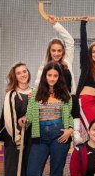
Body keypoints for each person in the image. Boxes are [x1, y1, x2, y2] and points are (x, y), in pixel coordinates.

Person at [19, 61, 73, 176]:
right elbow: (29, 116)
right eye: (49, 75)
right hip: (40, 136)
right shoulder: (35, 95)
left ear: (59, 77)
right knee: (33, 173)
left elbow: (69, 116)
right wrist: (24, 120)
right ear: (45, 76)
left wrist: (70, 129)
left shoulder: (66, 96)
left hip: (59, 137)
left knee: (55, 174)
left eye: (55, 75)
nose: (52, 78)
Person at [35, 15, 83, 144]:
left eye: (59, 51)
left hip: (67, 97)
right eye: (53, 51)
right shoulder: (44, 67)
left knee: (74, 98)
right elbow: (37, 85)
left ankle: (76, 133)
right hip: (53, 102)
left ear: (63, 52)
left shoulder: (67, 61)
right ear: (49, 52)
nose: (56, 53)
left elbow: (70, 41)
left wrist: (56, 24)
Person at [0, 62, 35, 176]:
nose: (23, 74)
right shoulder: (12, 94)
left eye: (24, 71)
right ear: (15, 76)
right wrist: (17, 139)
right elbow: (9, 118)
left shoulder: (34, 93)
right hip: (14, 140)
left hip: (30, 139)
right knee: (12, 173)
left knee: (27, 173)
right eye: (19, 73)